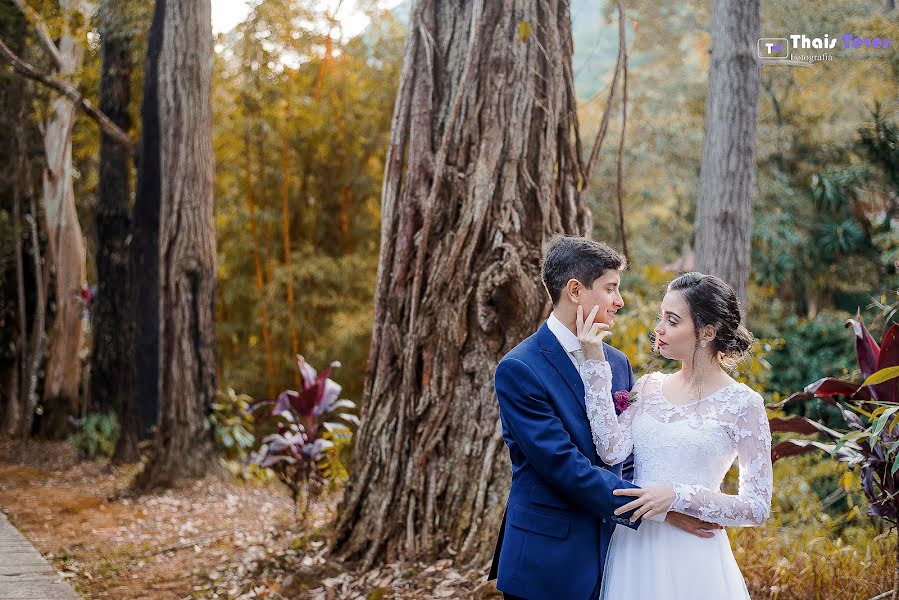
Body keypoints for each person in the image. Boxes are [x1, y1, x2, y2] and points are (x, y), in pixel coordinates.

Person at [488, 236, 723, 600]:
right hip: (548, 559)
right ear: (575, 291)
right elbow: (563, 466)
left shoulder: (616, 362)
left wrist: (664, 503)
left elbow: (628, 453)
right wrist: (652, 510)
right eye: (611, 288)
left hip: (619, 555)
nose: (620, 301)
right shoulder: (520, 369)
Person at [580, 271, 773, 599]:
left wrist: (677, 496)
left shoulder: (744, 404)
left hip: (695, 556)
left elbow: (756, 507)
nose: (659, 328)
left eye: (672, 320)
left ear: (706, 332)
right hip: (634, 548)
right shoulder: (649, 386)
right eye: (661, 317)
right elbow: (611, 450)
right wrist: (595, 362)